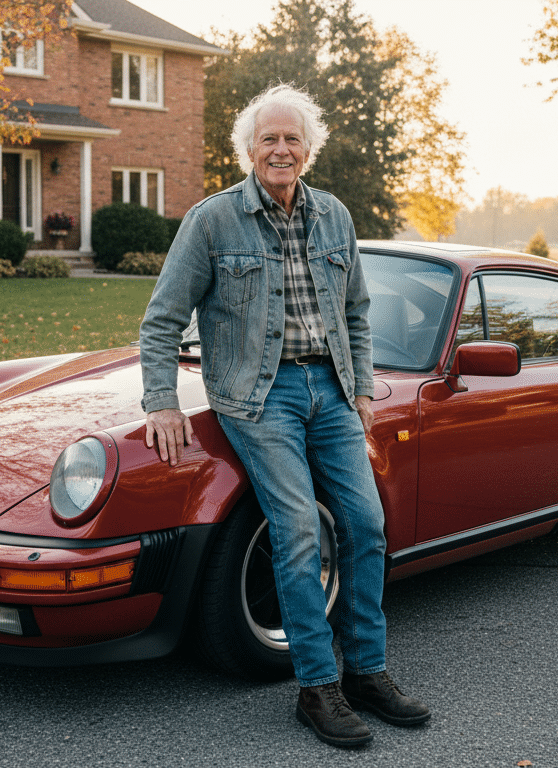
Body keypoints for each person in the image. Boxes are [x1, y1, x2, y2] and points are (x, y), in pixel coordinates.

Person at [138, 84, 429, 748]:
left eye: (291, 138)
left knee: (366, 524)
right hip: (258, 396)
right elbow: (161, 319)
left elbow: (356, 313)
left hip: (332, 390)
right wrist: (161, 401)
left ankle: (367, 673)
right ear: (249, 149)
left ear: (308, 149)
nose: (280, 149)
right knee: (297, 529)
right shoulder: (213, 221)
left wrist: (360, 389)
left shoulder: (334, 216)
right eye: (268, 138)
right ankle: (317, 686)